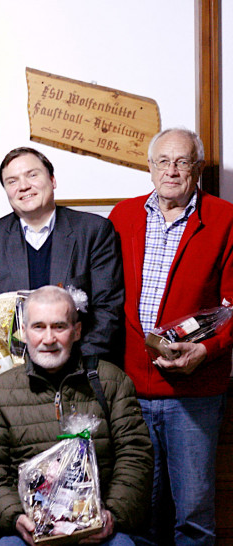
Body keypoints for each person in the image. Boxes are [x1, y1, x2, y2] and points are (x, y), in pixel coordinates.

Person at [108, 127, 233, 546]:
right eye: (163, 161)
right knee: (141, 515)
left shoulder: (225, 219)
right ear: (149, 167)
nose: (172, 170)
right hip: (131, 391)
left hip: (194, 395)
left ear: (197, 168)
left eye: (183, 161)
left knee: (193, 519)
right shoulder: (122, 216)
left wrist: (208, 349)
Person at [0, 286, 153, 546]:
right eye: (38, 327)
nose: (49, 339)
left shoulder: (111, 381)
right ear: (23, 333)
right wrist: (15, 517)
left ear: (77, 331)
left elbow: (135, 456)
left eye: (59, 327)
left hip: (99, 528)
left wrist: (111, 515)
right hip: (30, 531)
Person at [0, 147, 123, 364]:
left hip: (79, 367)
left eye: (32, 175)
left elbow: (108, 311)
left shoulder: (94, 231)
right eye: (12, 181)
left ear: (53, 180)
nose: (24, 186)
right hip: (14, 373)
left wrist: (72, 364)